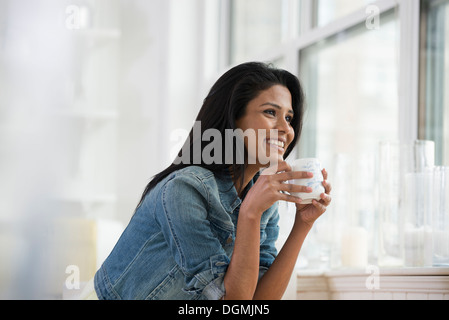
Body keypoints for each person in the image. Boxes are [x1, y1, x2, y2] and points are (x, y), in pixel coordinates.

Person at [86, 62, 332, 300]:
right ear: (234, 120)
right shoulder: (185, 189)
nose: (286, 129)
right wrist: (250, 212)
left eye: (289, 118)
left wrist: (302, 225)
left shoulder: (262, 199)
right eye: (270, 112)